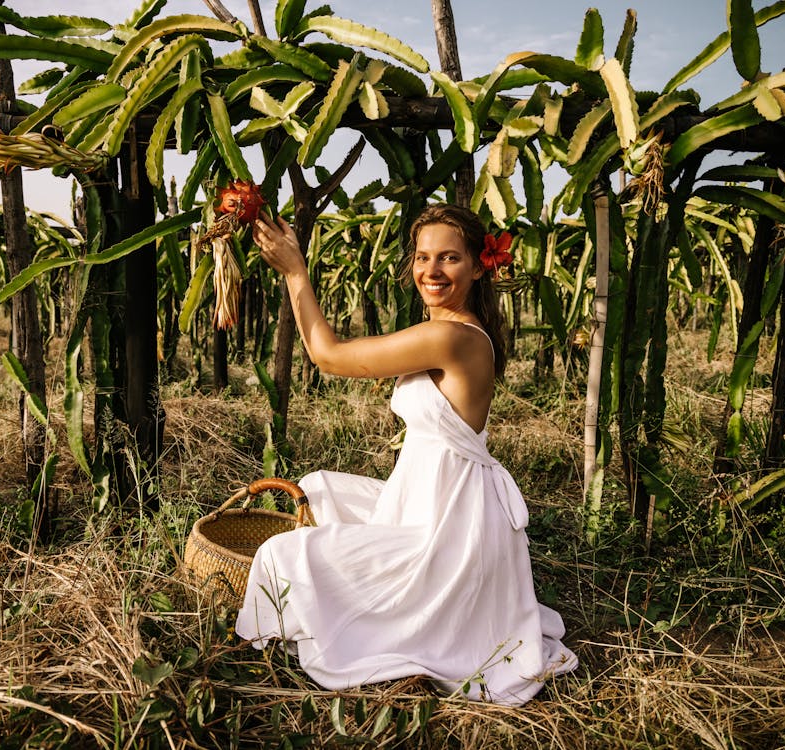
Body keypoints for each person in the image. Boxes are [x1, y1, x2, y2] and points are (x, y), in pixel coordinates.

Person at [234, 203, 577, 706]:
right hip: (430, 496)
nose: (431, 271)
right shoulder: (458, 327)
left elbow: (326, 355)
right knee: (320, 488)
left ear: (480, 265)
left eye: (449, 259)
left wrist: (295, 272)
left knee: (282, 556)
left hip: (450, 525)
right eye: (422, 257)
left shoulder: (449, 335)